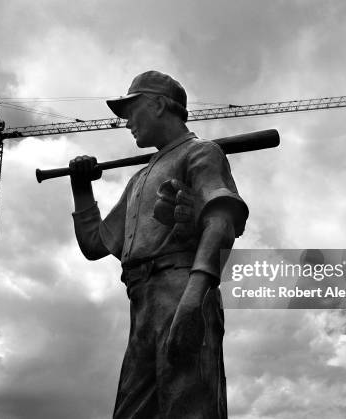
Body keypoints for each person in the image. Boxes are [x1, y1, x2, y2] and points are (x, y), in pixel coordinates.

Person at [68, 70, 248, 418]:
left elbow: (222, 219)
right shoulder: (140, 178)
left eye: (132, 111)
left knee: (189, 408)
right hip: (143, 305)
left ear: (159, 105)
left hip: (182, 287)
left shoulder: (200, 153)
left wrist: (194, 298)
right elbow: (94, 245)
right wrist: (81, 189)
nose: (127, 123)